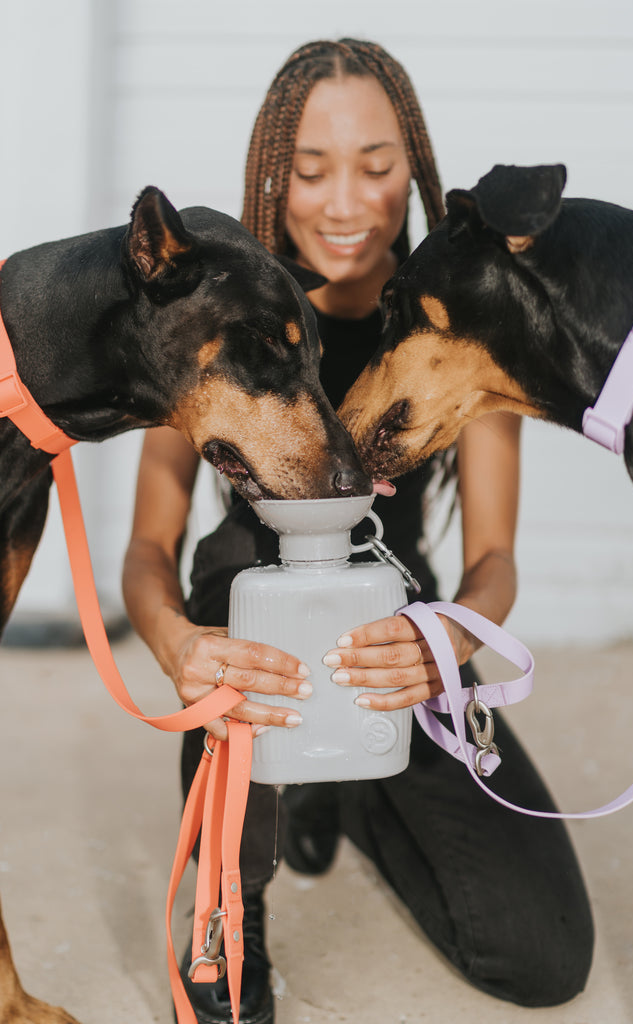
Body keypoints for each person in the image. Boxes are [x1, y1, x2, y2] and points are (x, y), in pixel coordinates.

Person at [122, 38, 594, 1024]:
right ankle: (229, 903)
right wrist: (177, 644)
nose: (346, 201)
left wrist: (446, 642)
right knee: (230, 636)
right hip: (245, 617)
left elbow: (494, 560)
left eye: (377, 169)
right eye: (310, 171)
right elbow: (148, 551)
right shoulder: (214, 309)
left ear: (410, 167)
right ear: (270, 175)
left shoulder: (464, 314)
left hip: (400, 636)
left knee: (538, 958)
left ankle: (355, 791)